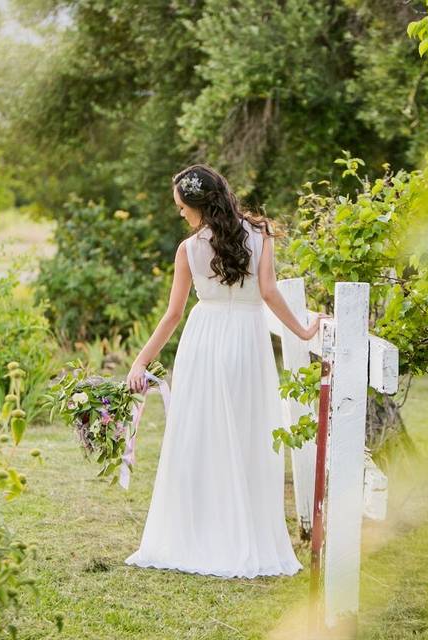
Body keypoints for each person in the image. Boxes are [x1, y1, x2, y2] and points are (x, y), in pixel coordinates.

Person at [124, 164, 324, 578]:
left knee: (202, 435)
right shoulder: (261, 234)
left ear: (197, 205)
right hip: (248, 341)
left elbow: (173, 314)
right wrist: (303, 330)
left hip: (204, 341)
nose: (179, 213)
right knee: (248, 433)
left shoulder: (188, 249)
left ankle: (205, 531)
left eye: (181, 207)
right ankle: (242, 531)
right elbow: (268, 292)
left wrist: (141, 359)